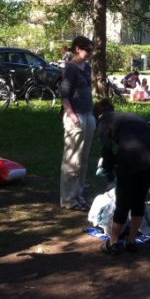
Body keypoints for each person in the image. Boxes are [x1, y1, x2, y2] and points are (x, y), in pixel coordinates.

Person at [94, 99, 150, 255]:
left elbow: (106, 150)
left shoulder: (103, 121)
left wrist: (109, 170)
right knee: (138, 199)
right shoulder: (127, 116)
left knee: (123, 201)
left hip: (132, 154)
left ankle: (113, 242)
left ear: (97, 115)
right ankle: (131, 241)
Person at [59, 36, 95, 210]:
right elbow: (64, 95)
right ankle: (68, 199)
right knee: (73, 160)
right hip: (76, 117)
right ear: (77, 49)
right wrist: (72, 115)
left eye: (91, 50)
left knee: (84, 160)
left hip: (88, 115)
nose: (90, 53)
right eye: (87, 50)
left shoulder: (87, 67)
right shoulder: (71, 68)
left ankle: (79, 194)